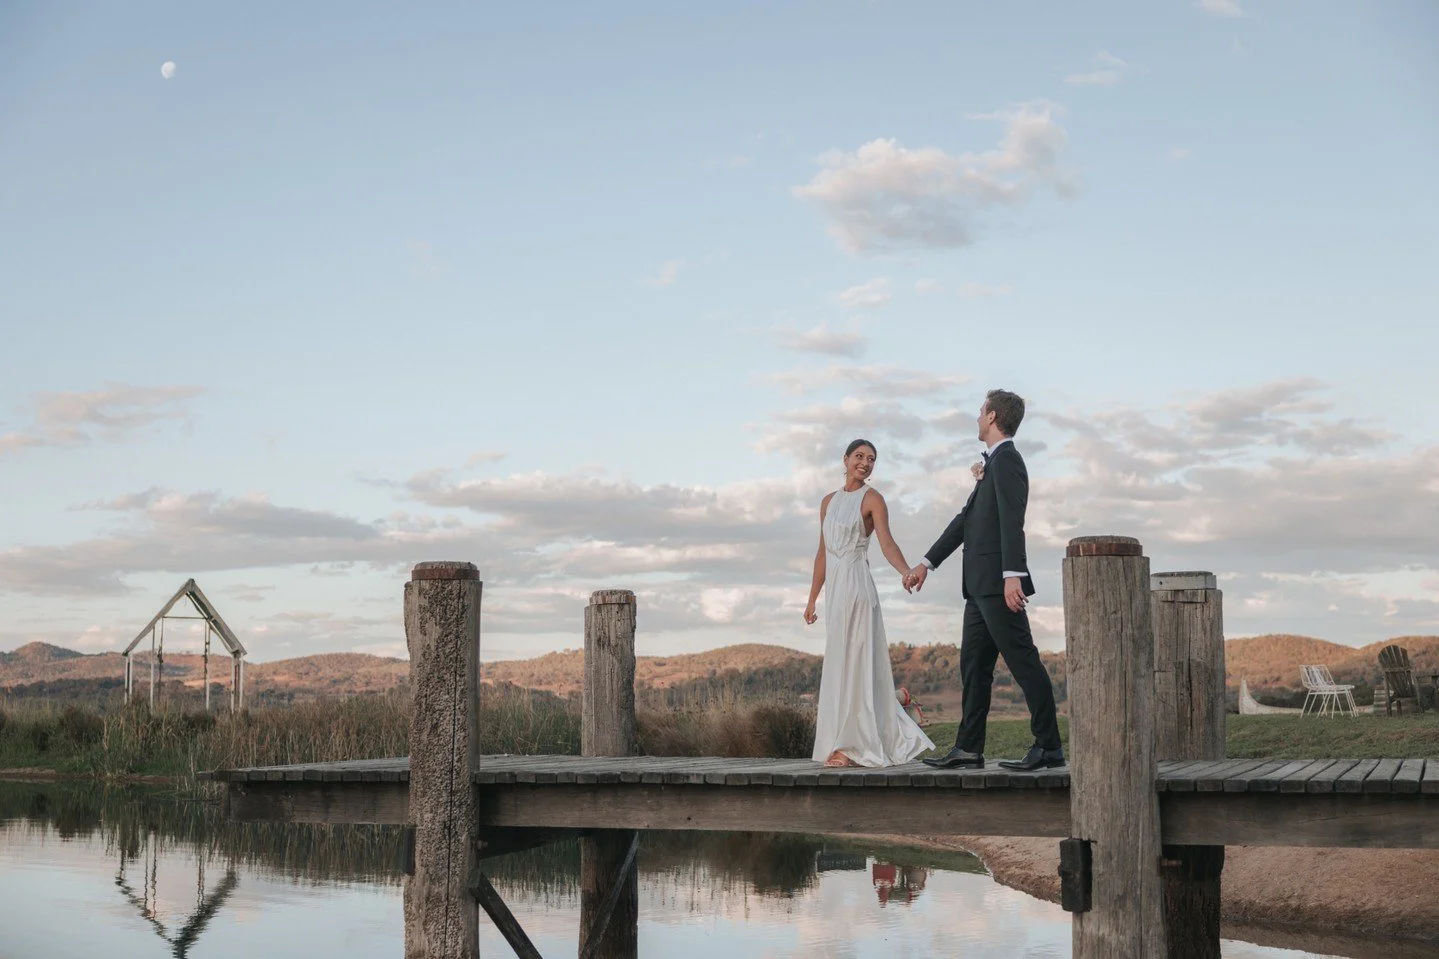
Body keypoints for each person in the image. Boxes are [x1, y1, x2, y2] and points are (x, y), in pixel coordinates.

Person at [906, 390, 1065, 772]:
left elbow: (1013, 521)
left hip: (998, 585)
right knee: (973, 670)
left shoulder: (1008, 461)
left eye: (981, 411)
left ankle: (1049, 747)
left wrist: (1014, 576)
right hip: (977, 589)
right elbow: (966, 520)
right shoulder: (992, 465)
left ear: (992, 417)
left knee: (1024, 664)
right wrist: (927, 562)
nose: (977, 417)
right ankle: (968, 749)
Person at [804, 439, 935, 767]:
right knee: (840, 663)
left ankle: (852, 746)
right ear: (845, 458)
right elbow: (823, 552)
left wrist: (906, 571)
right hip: (835, 591)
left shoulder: (873, 499)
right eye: (859, 456)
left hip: (858, 589)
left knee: (856, 662)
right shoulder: (827, 502)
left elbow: (887, 542)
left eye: (871, 459)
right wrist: (811, 600)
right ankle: (852, 731)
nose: (865, 463)